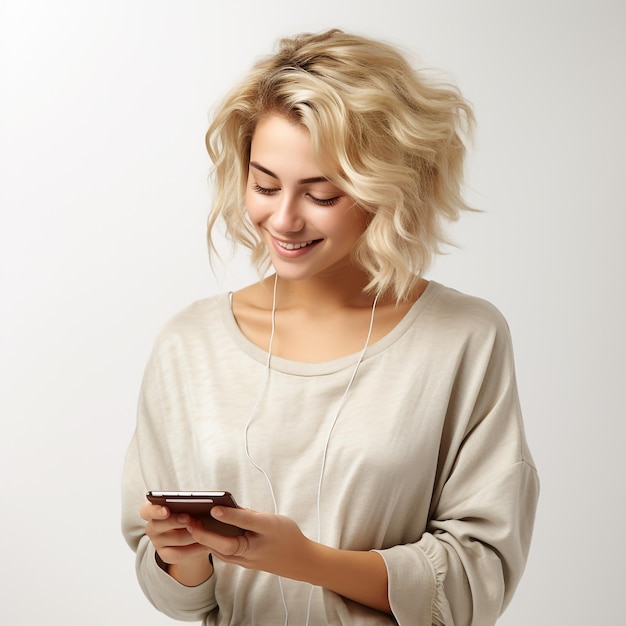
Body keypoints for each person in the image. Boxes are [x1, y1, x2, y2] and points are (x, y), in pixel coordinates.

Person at [121, 29, 539, 626]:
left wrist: (306, 560)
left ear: (385, 189)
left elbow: (477, 581)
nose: (283, 219)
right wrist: (182, 559)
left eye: (321, 194)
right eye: (264, 185)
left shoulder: (463, 338)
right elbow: (177, 597)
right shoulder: (190, 345)